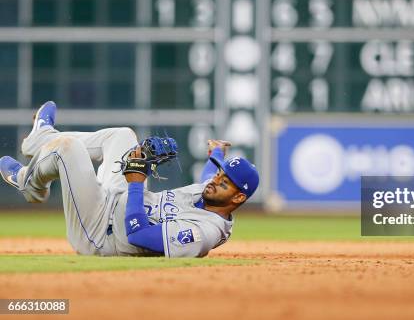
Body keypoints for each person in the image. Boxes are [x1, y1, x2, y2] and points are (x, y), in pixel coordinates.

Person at [0, 101, 259, 258]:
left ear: (237, 198)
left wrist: (136, 181)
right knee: (122, 136)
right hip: (117, 198)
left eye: (224, 182)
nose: (213, 182)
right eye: (219, 175)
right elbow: (209, 179)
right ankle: (40, 139)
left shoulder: (203, 233)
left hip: (100, 234)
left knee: (68, 149)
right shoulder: (211, 194)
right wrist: (216, 155)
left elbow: (139, 236)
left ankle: (29, 183)